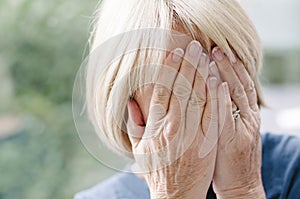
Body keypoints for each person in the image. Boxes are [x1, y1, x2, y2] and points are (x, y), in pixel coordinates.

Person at [74, 0, 300, 198]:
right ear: (129, 105)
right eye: (175, 84)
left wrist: (243, 191)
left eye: (214, 69)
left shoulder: (294, 169)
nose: (202, 100)